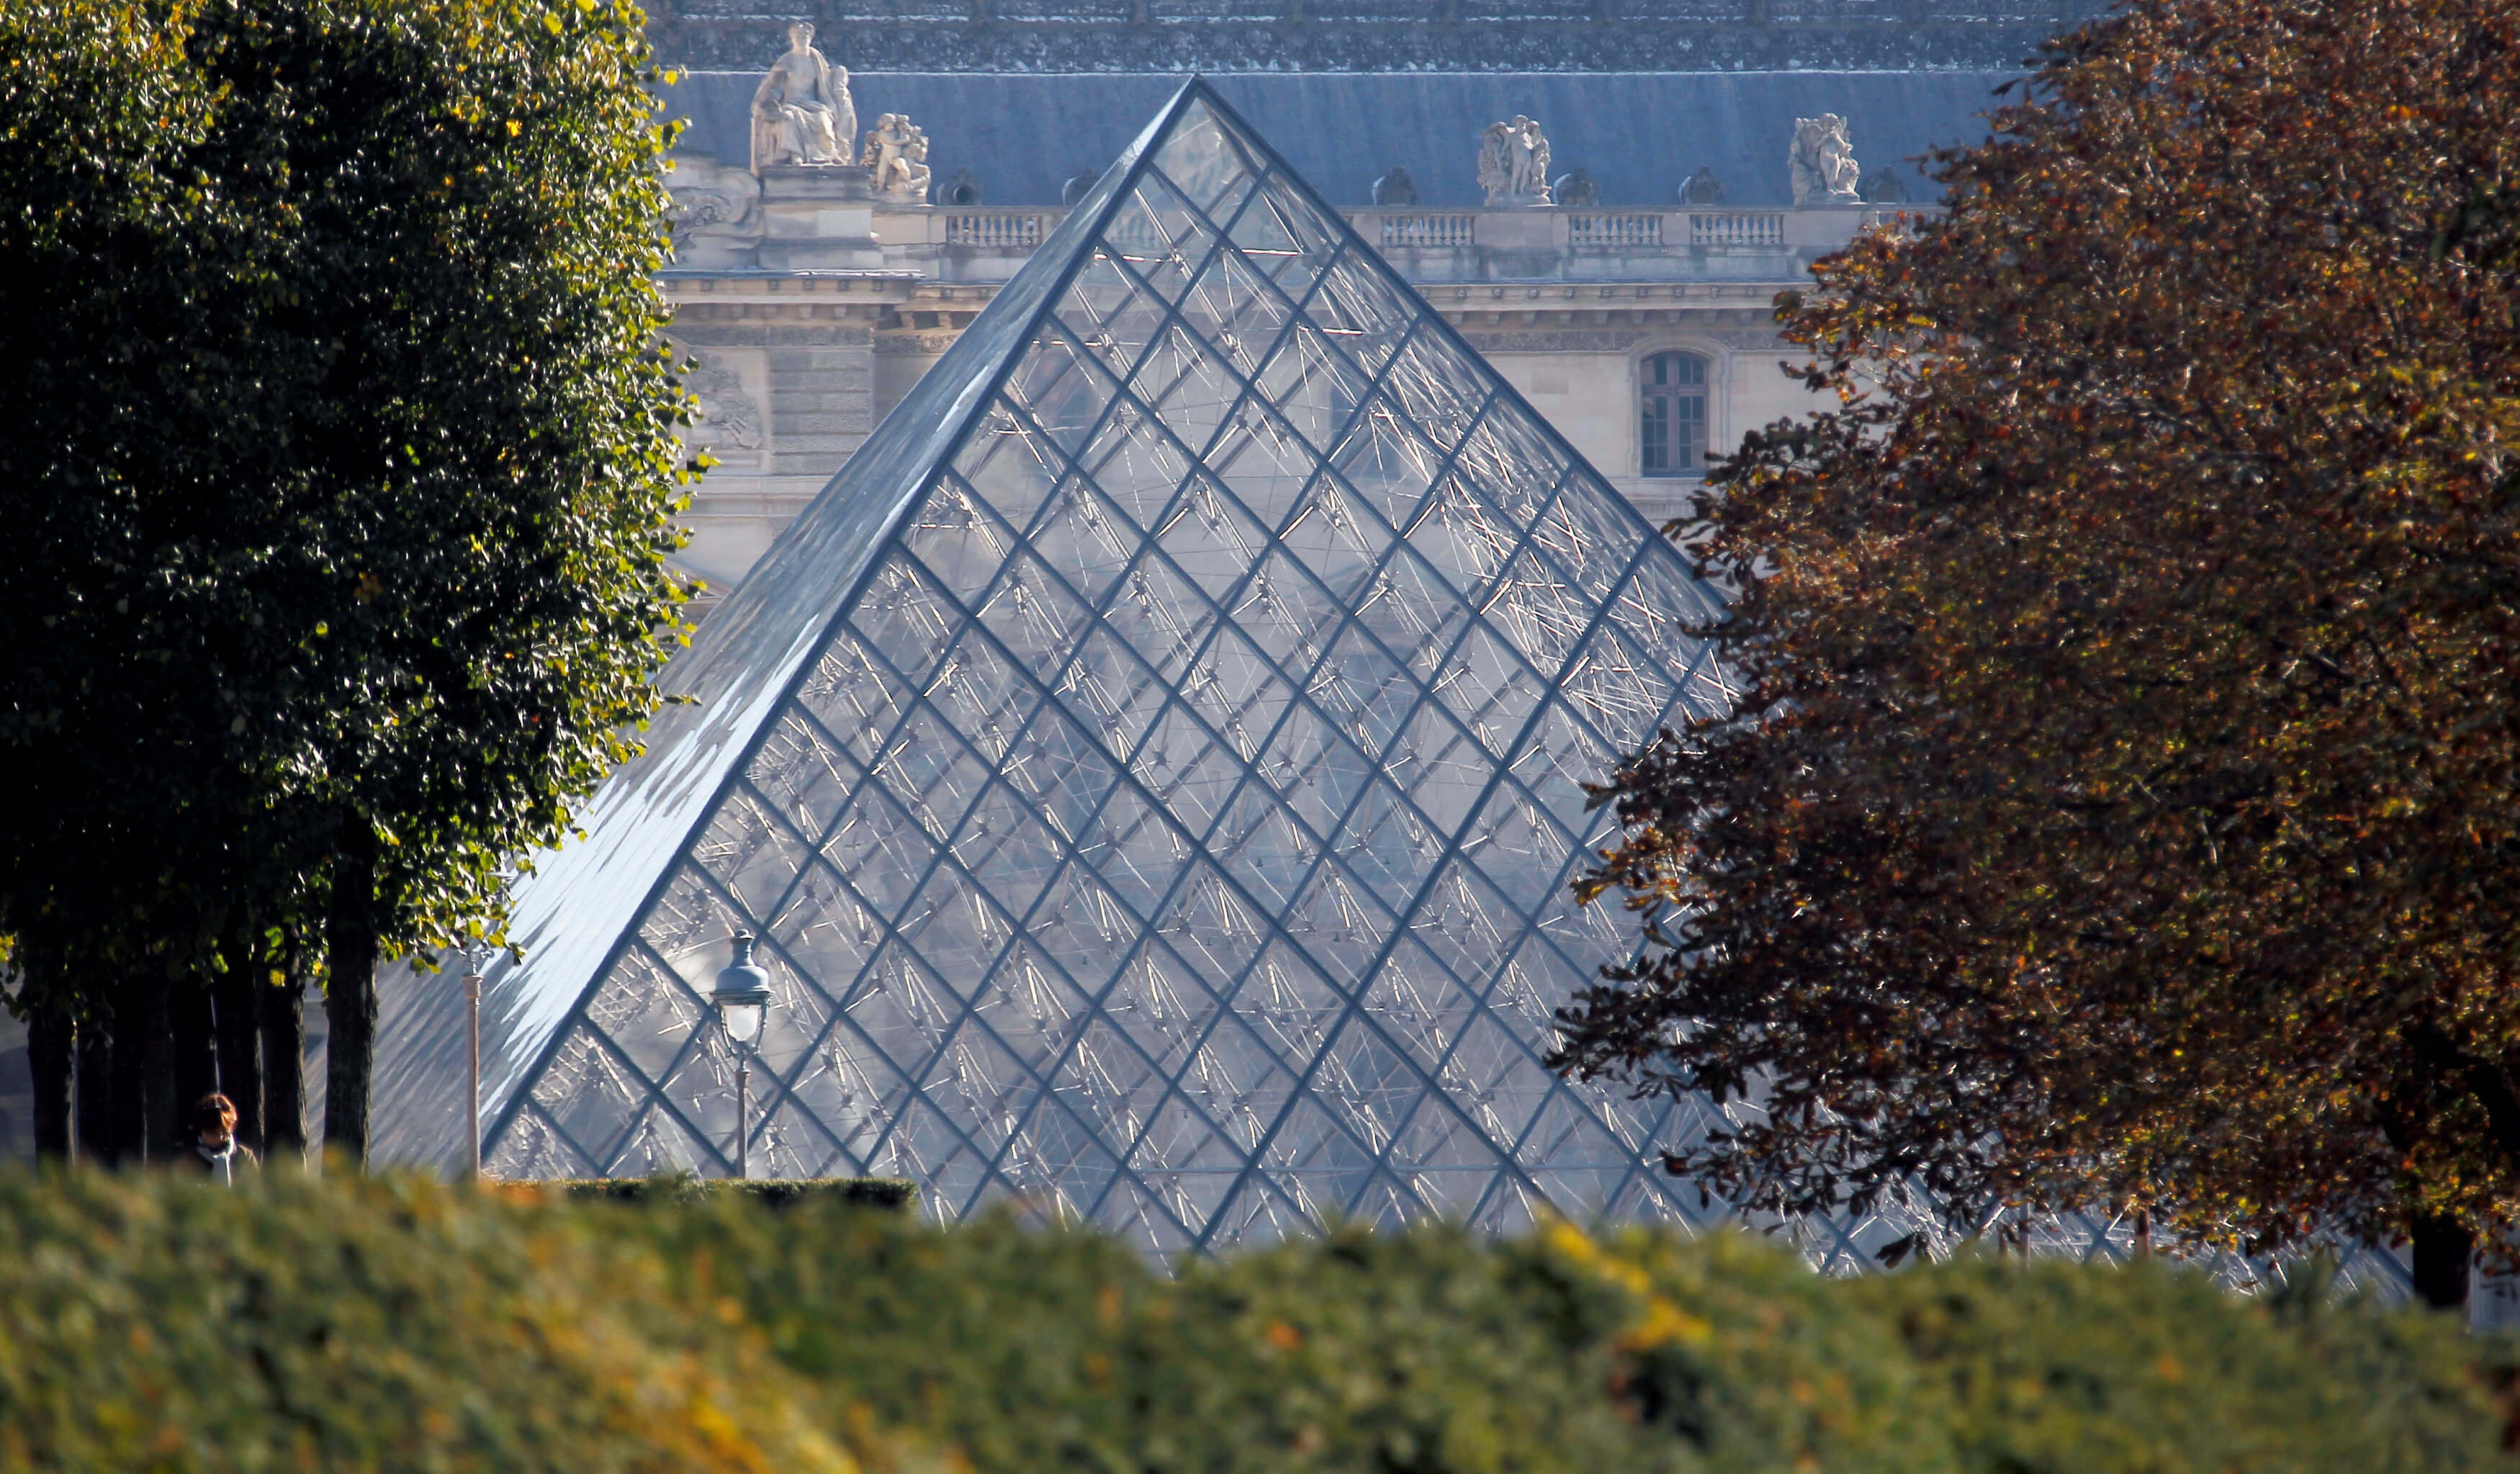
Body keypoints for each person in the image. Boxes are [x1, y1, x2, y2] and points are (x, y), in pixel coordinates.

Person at [184, 1092, 258, 1184]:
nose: (219, 1138)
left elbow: (255, 1191)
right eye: (212, 1133)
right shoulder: (189, 1159)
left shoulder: (244, 1156)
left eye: (224, 1133)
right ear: (201, 1130)